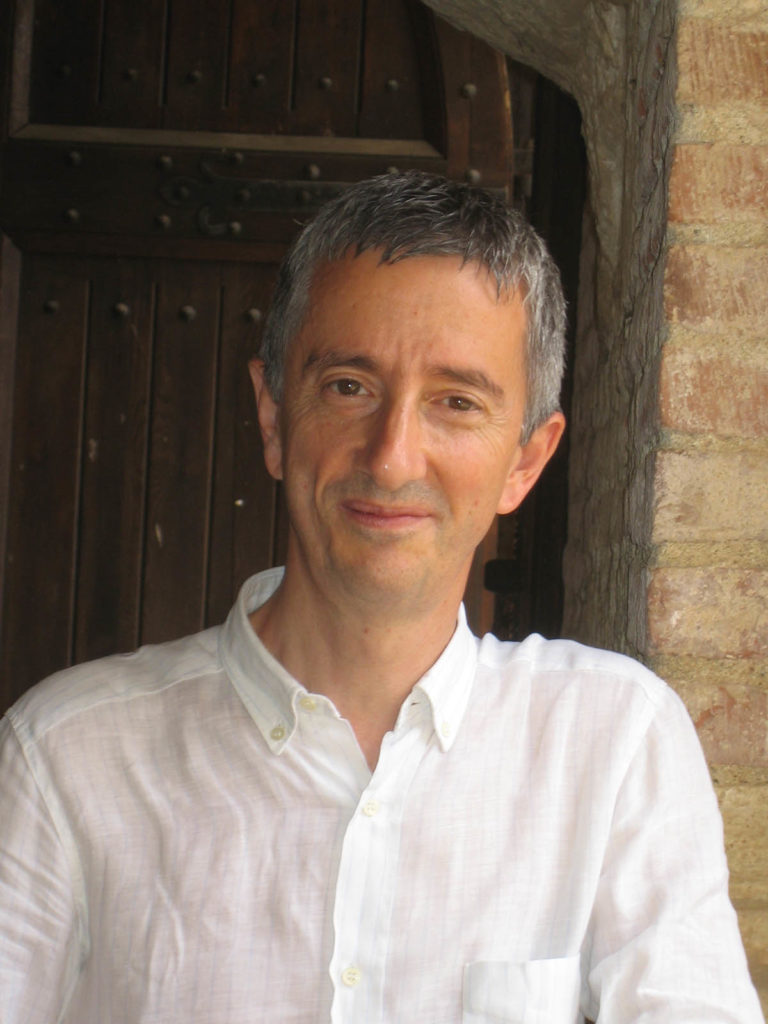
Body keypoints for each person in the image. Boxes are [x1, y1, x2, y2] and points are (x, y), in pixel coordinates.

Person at [0, 171, 762, 1024]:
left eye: (456, 402)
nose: (393, 457)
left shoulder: (615, 746)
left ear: (526, 461)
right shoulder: (66, 758)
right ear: (273, 416)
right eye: (348, 387)